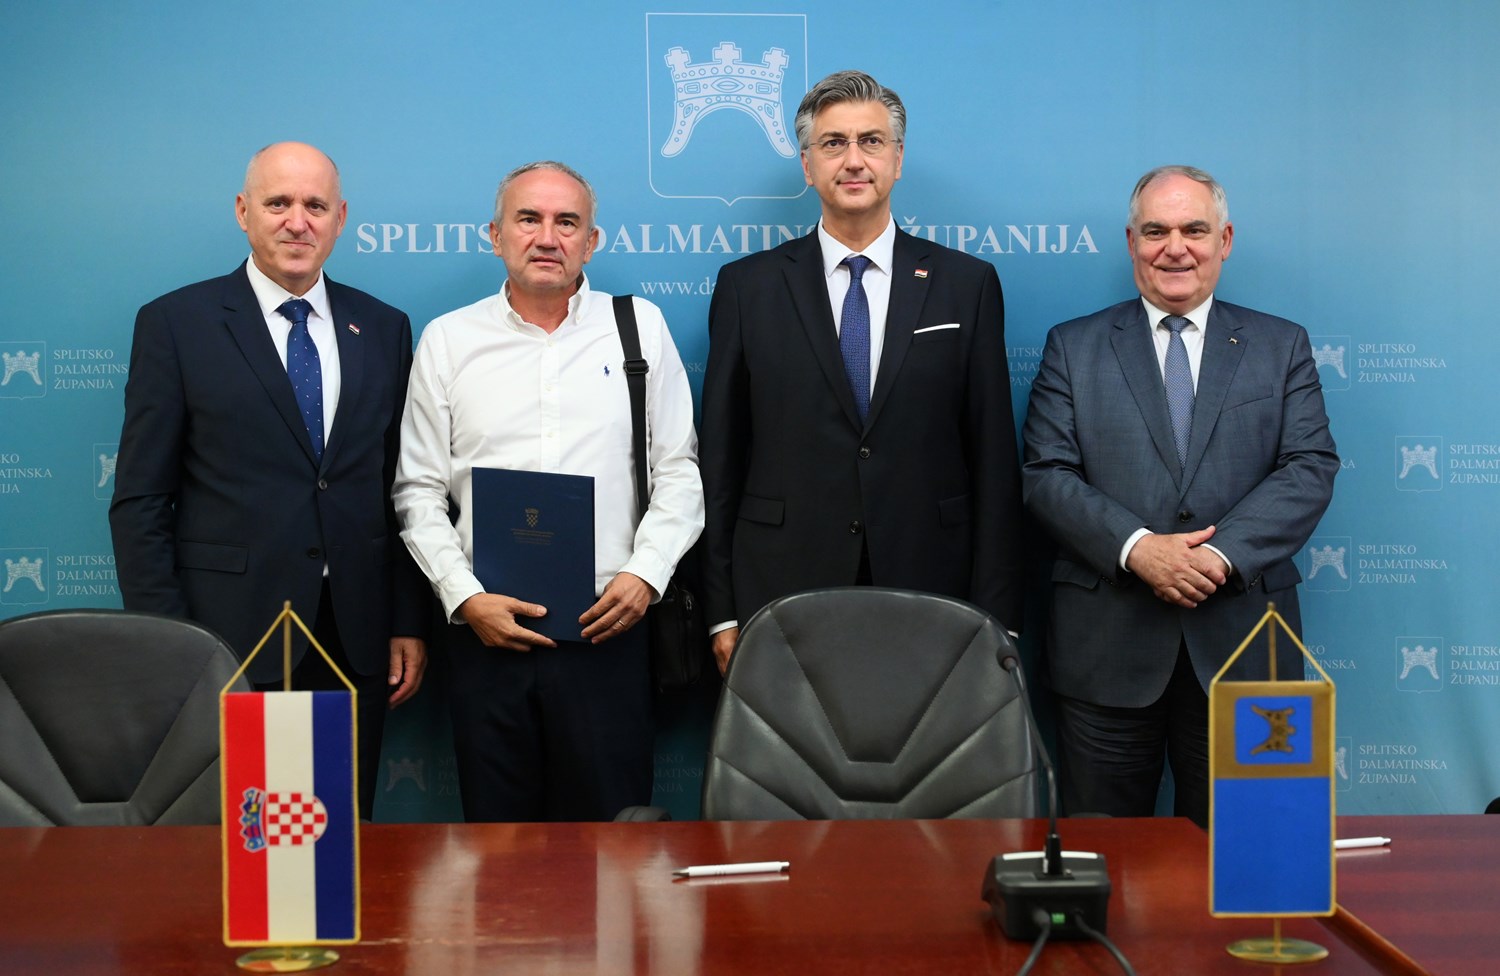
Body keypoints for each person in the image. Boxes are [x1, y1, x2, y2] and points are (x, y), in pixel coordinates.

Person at [110, 141, 429, 819]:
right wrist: (170, 642)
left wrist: (407, 619)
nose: (297, 222)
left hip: (355, 636)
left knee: (337, 840)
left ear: (340, 217)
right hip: (230, 637)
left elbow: (398, 490)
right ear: (243, 211)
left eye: (315, 205)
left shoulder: (383, 327)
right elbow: (141, 501)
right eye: (278, 203)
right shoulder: (176, 324)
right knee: (246, 844)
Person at [1021, 165, 1339, 827]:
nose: (1175, 248)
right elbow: (1046, 474)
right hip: (1105, 653)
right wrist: (1139, 550)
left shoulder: (1281, 345)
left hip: (1246, 648)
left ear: (1225, 240)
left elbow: (1309, 467)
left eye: (1194, 229)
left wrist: (1217, 557)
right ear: (1131, 241)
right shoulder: (1073, 347)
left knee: (1248, 852)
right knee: (1103, 859)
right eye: (1155, 231)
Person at [393, 161, 703, 822]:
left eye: (567, 222)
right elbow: (418, 491)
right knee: (498, 850)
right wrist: (464, 597)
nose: (546, 237)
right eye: (528, 219)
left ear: (591, 241)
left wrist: (645, 576)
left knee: (613, 849)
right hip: (486, 639)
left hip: (609, 631)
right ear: (495, 235)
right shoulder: (448, 340)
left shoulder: (638, 327)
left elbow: (679, 470)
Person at [700, 70, 1022, 673]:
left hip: (933, 585)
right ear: (807, 165)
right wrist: (721, 611)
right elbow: (721, 460)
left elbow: (994, 460)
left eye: (871, 141)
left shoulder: (966, 284)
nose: (853, 160)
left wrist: (997, 616)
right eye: (833, 143)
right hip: (782, 586)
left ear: (897, 159)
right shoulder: (747, 287)